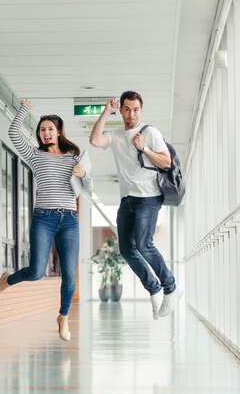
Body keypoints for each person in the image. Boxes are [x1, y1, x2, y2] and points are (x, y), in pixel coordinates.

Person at [0, 99, 93, 342]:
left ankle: (63, 317)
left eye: (50, 129)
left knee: (70, 274)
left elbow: (87, 188)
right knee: (36, 271)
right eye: (42, 130)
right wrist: (23, 109)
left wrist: (84, 173)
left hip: (69, 219)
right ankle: (7, 281)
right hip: (44, 218)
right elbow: (13, 132)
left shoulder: (73, 157)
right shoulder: (35, 155)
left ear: (59, 132)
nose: (46, 133)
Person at [89, 91, 182, 320]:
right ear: (121, 110)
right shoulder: (116, 135)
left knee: (143, 243)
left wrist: (145, 149)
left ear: (141, 110)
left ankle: (170, 286)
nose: (131, 114)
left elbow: (167, 162)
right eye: (127, 109)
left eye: (136, 109)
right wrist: (104, 112)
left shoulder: (150, 133)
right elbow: (94, 140)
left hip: (149, 197)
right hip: (127, 199)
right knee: (125, 250)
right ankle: (154, 288)